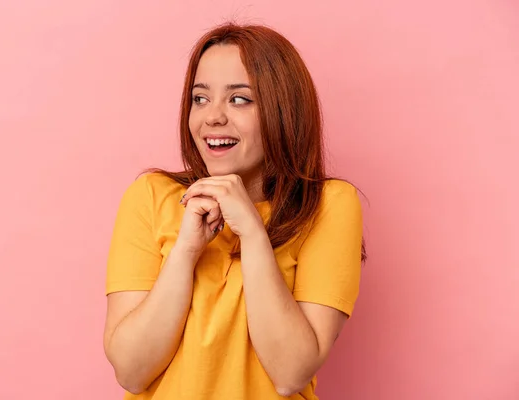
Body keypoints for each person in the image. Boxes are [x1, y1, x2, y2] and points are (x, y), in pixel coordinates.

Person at [103, 22, 365, 400]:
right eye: (200, 98)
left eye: (240, 99)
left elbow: (290, 373)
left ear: (283, 110)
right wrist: (186, 252)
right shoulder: (151, 196)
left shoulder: (329, 206)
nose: (212, 117)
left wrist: (253, 233)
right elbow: (131, 371)